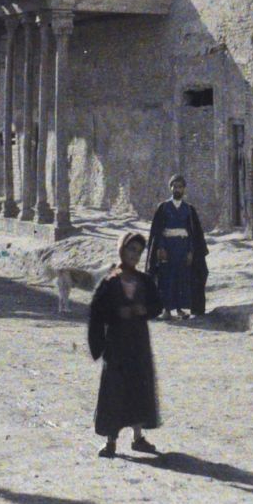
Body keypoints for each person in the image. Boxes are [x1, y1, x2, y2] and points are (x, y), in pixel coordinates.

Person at [88, 232, 163, 458]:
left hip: (138, 342)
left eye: (139, 252)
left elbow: (157, 305)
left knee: (139, 387)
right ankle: (111, 441)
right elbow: (97, 314)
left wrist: (145, 311)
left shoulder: (144, 280)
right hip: (117, 345)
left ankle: (138, 438)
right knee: (114, 390)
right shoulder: (109, 282)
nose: (134, 256)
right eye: (131, 250)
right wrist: (115, 315)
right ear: (121, 250)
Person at [148, 174, 205, 321]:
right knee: (166, 278)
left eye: (180, 187)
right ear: (170, 188)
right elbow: (158, 230)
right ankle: (166, 310)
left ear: (184, 189)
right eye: (175, 186)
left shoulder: (188, 209)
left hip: (183, 248)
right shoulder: (164, 207)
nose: (177, 189)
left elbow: (193, 233)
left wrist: (191, 252)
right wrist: (160, 248)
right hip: (167, 247)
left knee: (182, 278)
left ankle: (180, 309)